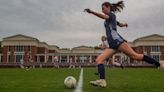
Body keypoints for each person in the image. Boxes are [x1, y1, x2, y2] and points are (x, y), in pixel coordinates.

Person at [84, 1, 164, 87]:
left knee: (135, 56)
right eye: (102, 9)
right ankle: (102, 80)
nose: (102, 10)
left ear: (108, 8)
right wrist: (124, 24)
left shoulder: (111, 15)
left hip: (117, 42)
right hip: (112, 45)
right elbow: (118, 24)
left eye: (103, 8)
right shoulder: (111, 18)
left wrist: (92, 12)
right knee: (99, 59)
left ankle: (160, 63)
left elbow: (104, 16)